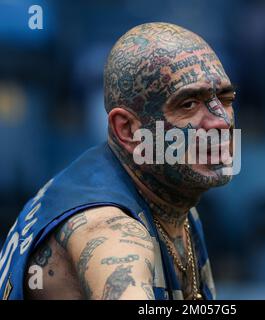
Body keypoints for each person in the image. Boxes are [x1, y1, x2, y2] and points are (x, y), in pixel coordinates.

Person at [0, 22, 236, 300]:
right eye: (188, 105)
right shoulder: (111, 236)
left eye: (225, 97)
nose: (221, 121)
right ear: (128, 129)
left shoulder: (170, 194)